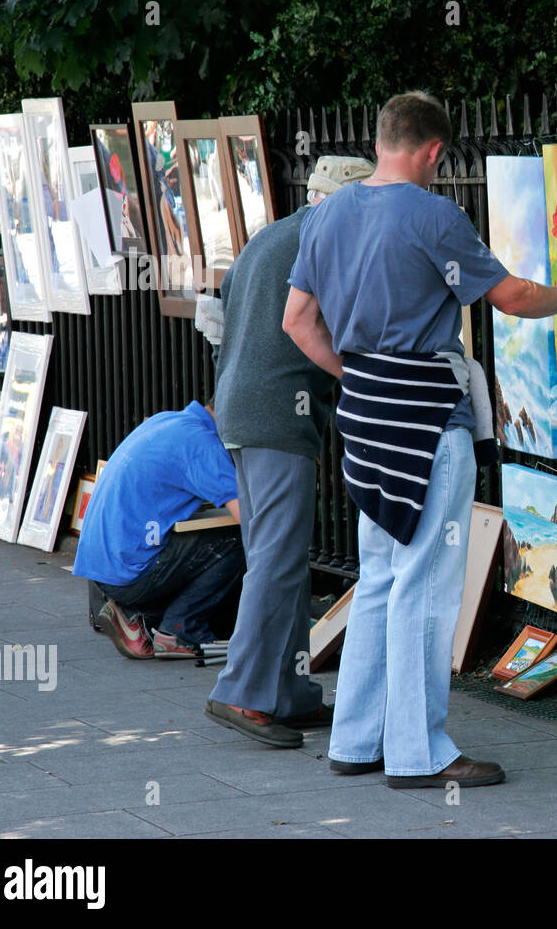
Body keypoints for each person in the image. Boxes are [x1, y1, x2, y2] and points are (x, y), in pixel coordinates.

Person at [283, 91, 557, 787]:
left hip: (364, 420)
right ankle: (418, 753)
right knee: (427, 587)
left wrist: (360, 374)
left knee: (378, 578)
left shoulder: (328, 215)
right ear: (434, 152)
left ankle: (355, 741)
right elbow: (514, 298)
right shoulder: (434, 215)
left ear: (381, 141)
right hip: (425, 420)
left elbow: (297, 321)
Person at [204, 155, 375, 748]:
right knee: (278, 558)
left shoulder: (271, 235)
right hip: (280, 411)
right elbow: (330, 327)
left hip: (239, 408)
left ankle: (291, 691)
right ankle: (243, 693)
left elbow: (223, 313)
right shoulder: (328, 237)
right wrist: (365, 379)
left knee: (275, 555)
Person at [73, 400, 244, 660]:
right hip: (130, 573)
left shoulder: (167, 421)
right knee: (236, 540)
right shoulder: (202, 443)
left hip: (102, 570)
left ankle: (138, 620)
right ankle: (182, 630)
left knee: (192, 549)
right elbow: (251, 518)